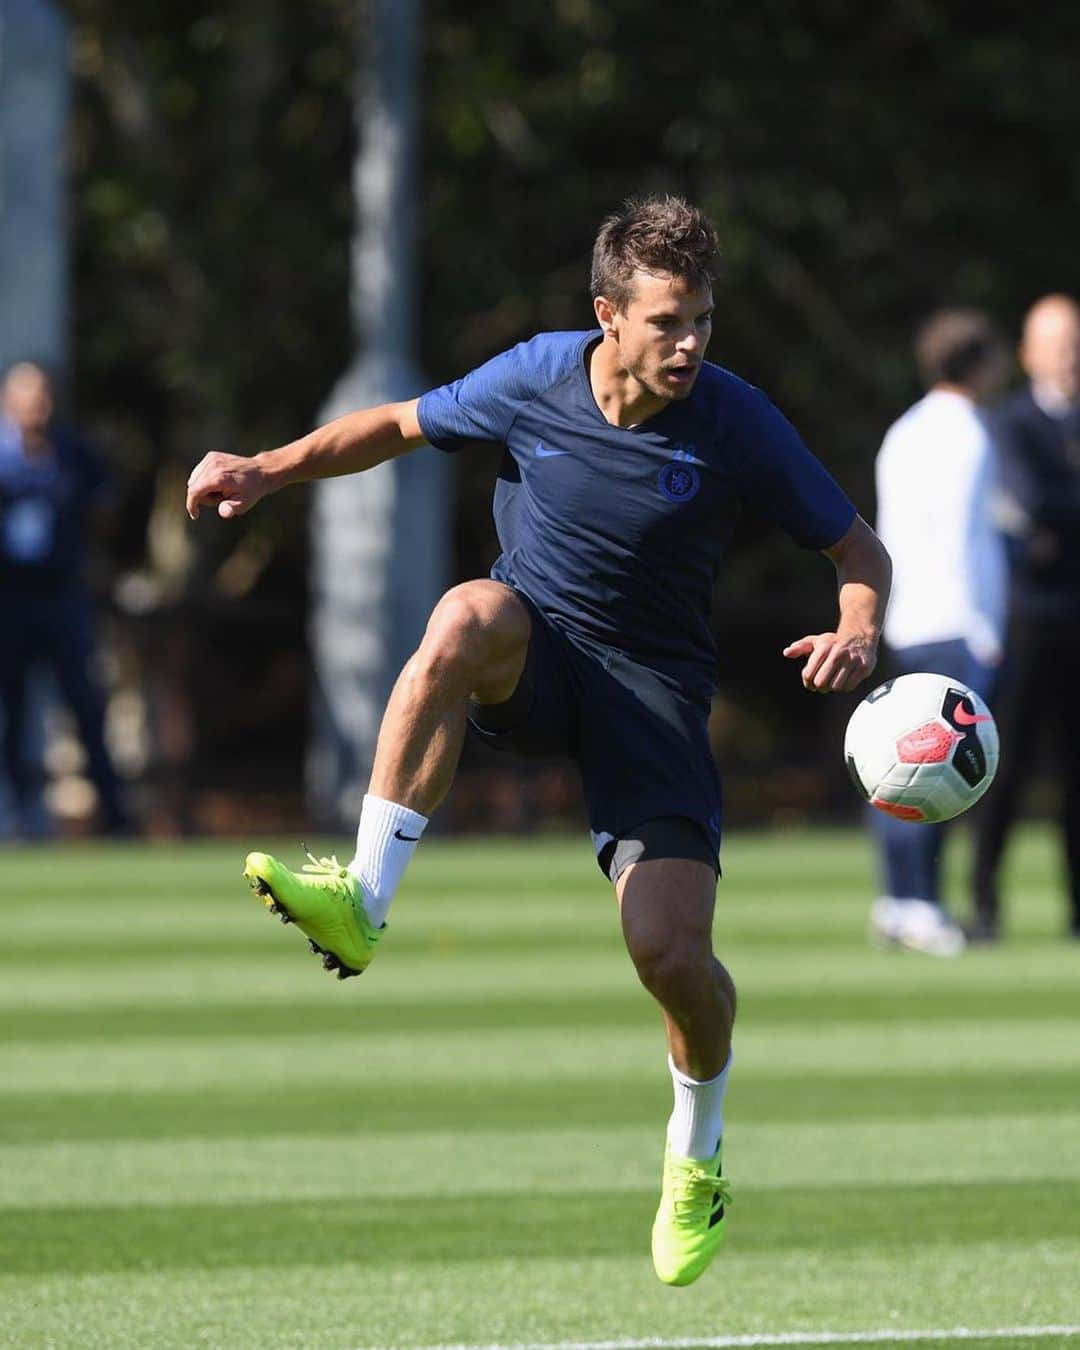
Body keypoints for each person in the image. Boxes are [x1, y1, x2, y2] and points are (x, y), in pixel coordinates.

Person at [186, 196, 891, 1286]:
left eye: (703, 317)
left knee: (671, 960)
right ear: (607, 316)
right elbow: (396, 425)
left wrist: (857, 626)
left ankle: (695, 1154)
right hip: (538, 650)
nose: (692, 342)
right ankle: (364, 901)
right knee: (466, 614)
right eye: (668, 321)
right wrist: (269, 470)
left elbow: (856, 548)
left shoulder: (738, 419)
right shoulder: (533, 375)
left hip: (653, 699)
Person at [868, 310, 1010, 956]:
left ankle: (899, 900)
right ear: (976, 364)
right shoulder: (969, 433)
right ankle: (920, 903)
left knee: (899, 763)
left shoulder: (902, 430)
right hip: (955, 623)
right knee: (943, 772)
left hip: (908, 619)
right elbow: (961, 537)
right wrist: (983, 627)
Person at [970, 294, 1080, 942]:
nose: (1068, 356)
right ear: (1028, 354)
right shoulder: (1010, 422)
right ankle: (985, 904)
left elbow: (1050, 510)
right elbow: (1032, 502)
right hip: (1029, 619)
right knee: (1002, 767)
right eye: (1057, 343)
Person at [0, 361, 131, 837]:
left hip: (62, 599)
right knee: (11, 714)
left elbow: (107, 505)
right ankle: (16, 819)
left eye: (43, 397)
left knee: (85, 706)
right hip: (10, 601)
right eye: (27, 397)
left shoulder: (73, 453)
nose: (37, 407)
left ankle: (116, 818)